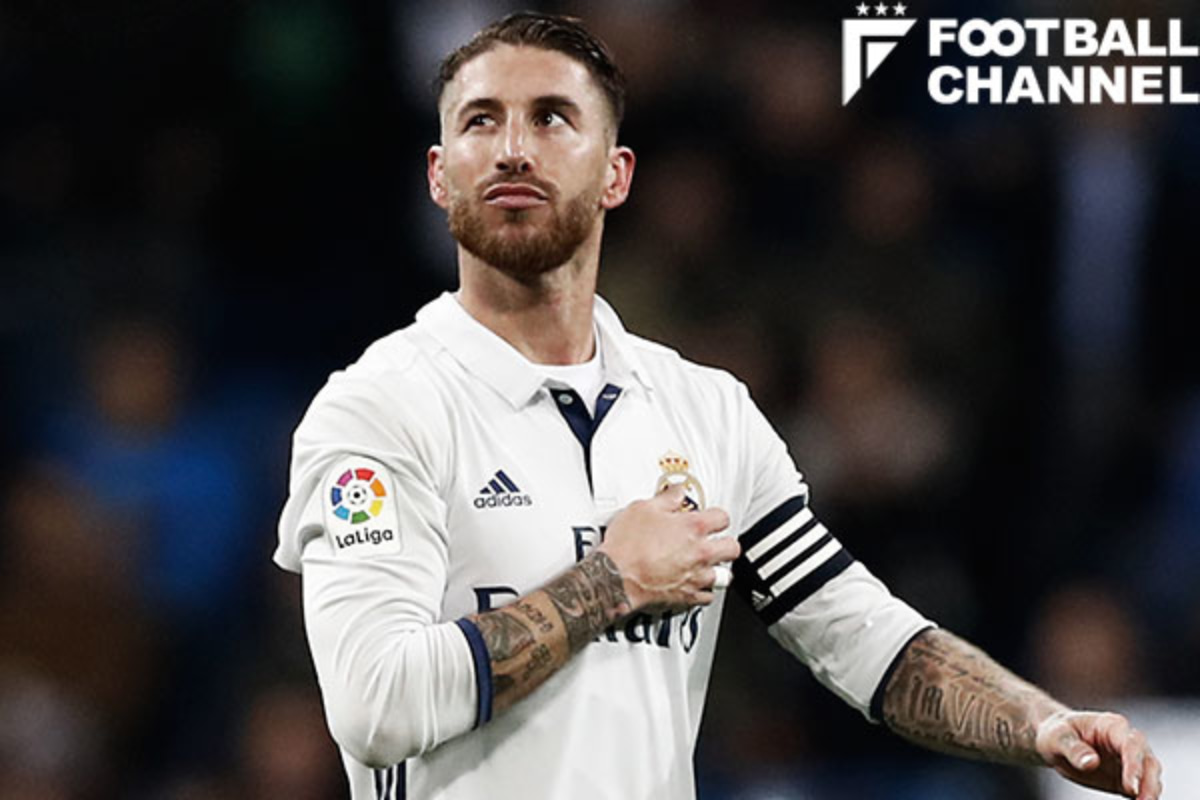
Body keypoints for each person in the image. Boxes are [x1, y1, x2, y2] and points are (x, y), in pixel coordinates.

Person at [276, 12, 1162, 800]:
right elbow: (376, 705)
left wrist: (1039, 724)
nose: (513, 148)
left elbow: (862, 637)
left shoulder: (706, 412)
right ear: (439, 176)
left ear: (617, 174)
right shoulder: (379, 411)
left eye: (551, 118)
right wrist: (610, 583)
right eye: (480, 120)